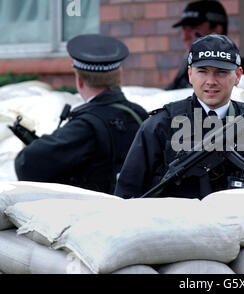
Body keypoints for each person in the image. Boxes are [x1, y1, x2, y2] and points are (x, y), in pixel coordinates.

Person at [115, 34, 244, 199]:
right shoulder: (160, 126)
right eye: (202, 71)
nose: (210, 82)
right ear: (190, 74)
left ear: (238, 76)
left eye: (221, 72)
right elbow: (127, 197)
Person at [14, 34, 149, 194]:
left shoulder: (85, 126)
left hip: (93, 214)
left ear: (79, 80)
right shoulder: (139, 114)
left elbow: (26, 163)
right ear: (119, 74)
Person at [166, 0, 244, 114]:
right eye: (202, 72)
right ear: (190, 73)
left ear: (217, 30)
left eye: (194, 28)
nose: (184, 36)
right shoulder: (185, 70)